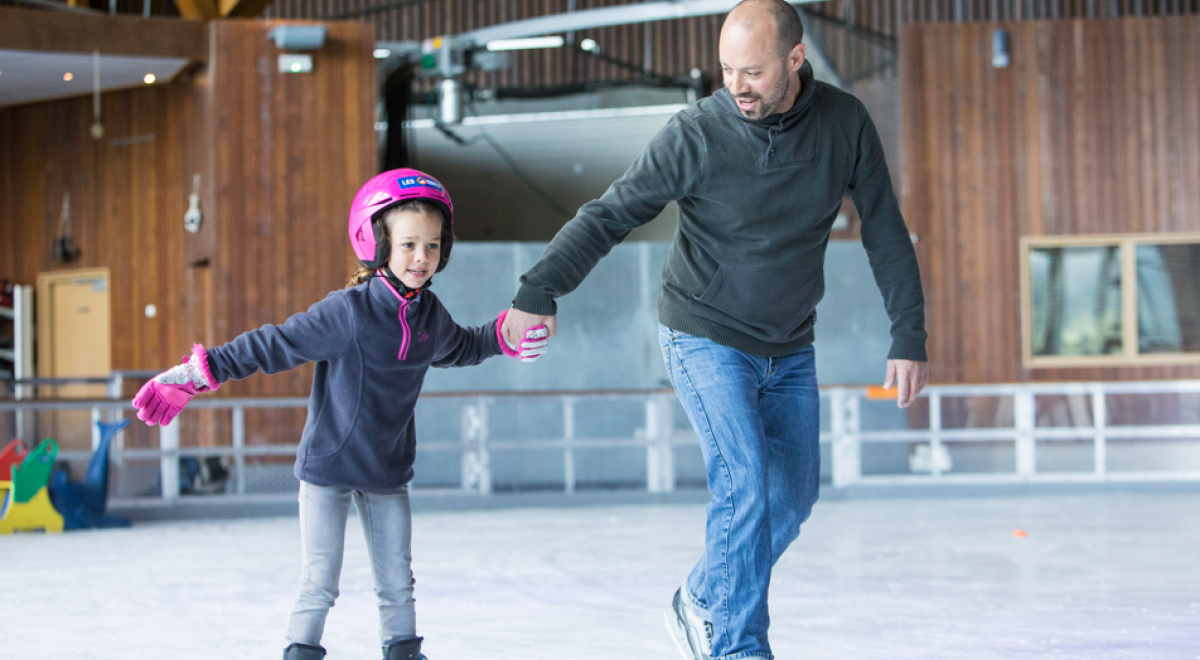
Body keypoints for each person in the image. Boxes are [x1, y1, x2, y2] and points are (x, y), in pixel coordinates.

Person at [501, 1, 929, 658]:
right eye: (728, 70)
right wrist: (539, 289)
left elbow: (886, 231)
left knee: (792, 498)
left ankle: (701, 599)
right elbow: (609, 214)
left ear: (795, 59)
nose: (738, 85)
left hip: (788, 344)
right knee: (746, 483)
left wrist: (908, 334)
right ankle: (737, 647)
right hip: (703, 332)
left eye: (753, 71)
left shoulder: (844, 124)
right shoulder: (695, 134)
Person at [132, 169, 547, 660]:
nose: (421, 258)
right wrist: (201, 372)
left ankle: (403, 652)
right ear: (376, 243)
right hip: (328, 470)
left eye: (432, 246)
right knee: (320, 581)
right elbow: (275, 343)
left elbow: (461, 346)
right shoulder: (348, 312)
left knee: (398, 581)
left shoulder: (429, 315)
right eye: (409, 244)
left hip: (387, 472)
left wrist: (504, 334)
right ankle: (301, 652)